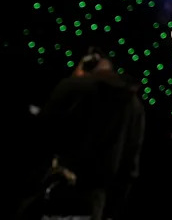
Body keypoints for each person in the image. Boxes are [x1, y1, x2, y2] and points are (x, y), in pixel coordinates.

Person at [19, 49, 145, 220]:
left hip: (50, 189)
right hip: (91, 203)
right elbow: (129, 168)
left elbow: (37, 139)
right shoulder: (133, 105)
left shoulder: (71, 87)